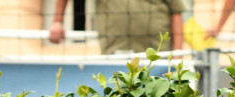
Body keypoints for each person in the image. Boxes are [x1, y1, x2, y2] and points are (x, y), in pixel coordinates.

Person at [49, 0, 185, 54]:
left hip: (156, 57)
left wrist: (178, 55)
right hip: (115, 56)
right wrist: (57, 21)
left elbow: (176, 13)